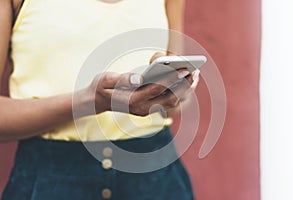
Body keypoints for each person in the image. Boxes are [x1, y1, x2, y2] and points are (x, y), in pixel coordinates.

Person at [0, 0, 199, 199]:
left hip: (156, 180)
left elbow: (175, 101)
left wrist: (175, 94)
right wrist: (89, 101)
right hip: (50, 180)